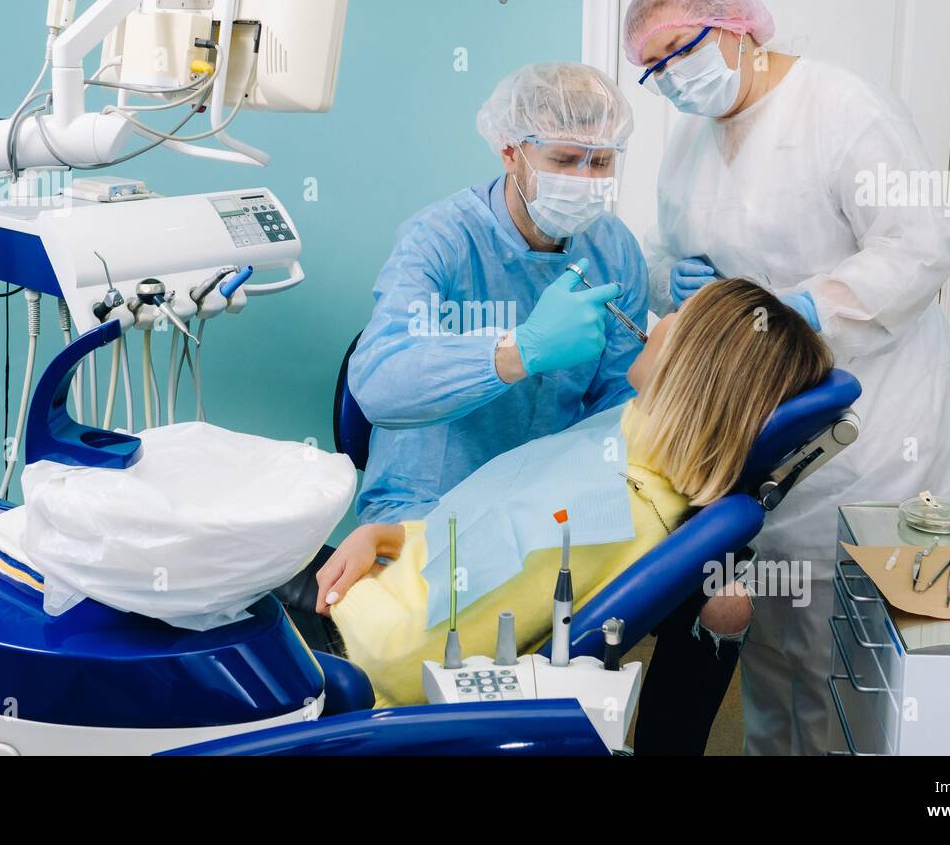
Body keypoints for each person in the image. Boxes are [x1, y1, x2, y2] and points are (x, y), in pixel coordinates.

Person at [623, 0, 950, 755]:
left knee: (840, 654)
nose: (672, 79)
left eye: (680, 51)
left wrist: (804, 306)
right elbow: (666, 249)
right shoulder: (689, 139)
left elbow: (920, 247)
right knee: (769, 643)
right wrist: (669, 279)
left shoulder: (842, 108)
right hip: (766, 431)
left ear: (740, 25)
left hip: (871, 422)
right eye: (653, 69)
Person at [277, 279, 833, 754]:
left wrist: (347, 622)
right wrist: (386, 536)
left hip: (354, 645)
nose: (658, 319)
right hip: (373, 591)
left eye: (678, 317)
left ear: (692, 365)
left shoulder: (609, 512)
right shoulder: (626, 446)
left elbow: (408, 657)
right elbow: (479, 542)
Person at [347, 62, 647, 525]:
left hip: (545, 505)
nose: (586, 180)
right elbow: (378, 387)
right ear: (511, 151)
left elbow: (620, 403)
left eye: (601, 161)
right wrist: (514, 353)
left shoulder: (615, 249)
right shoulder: (441, 239)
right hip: (427, 506)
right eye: (565, 160)